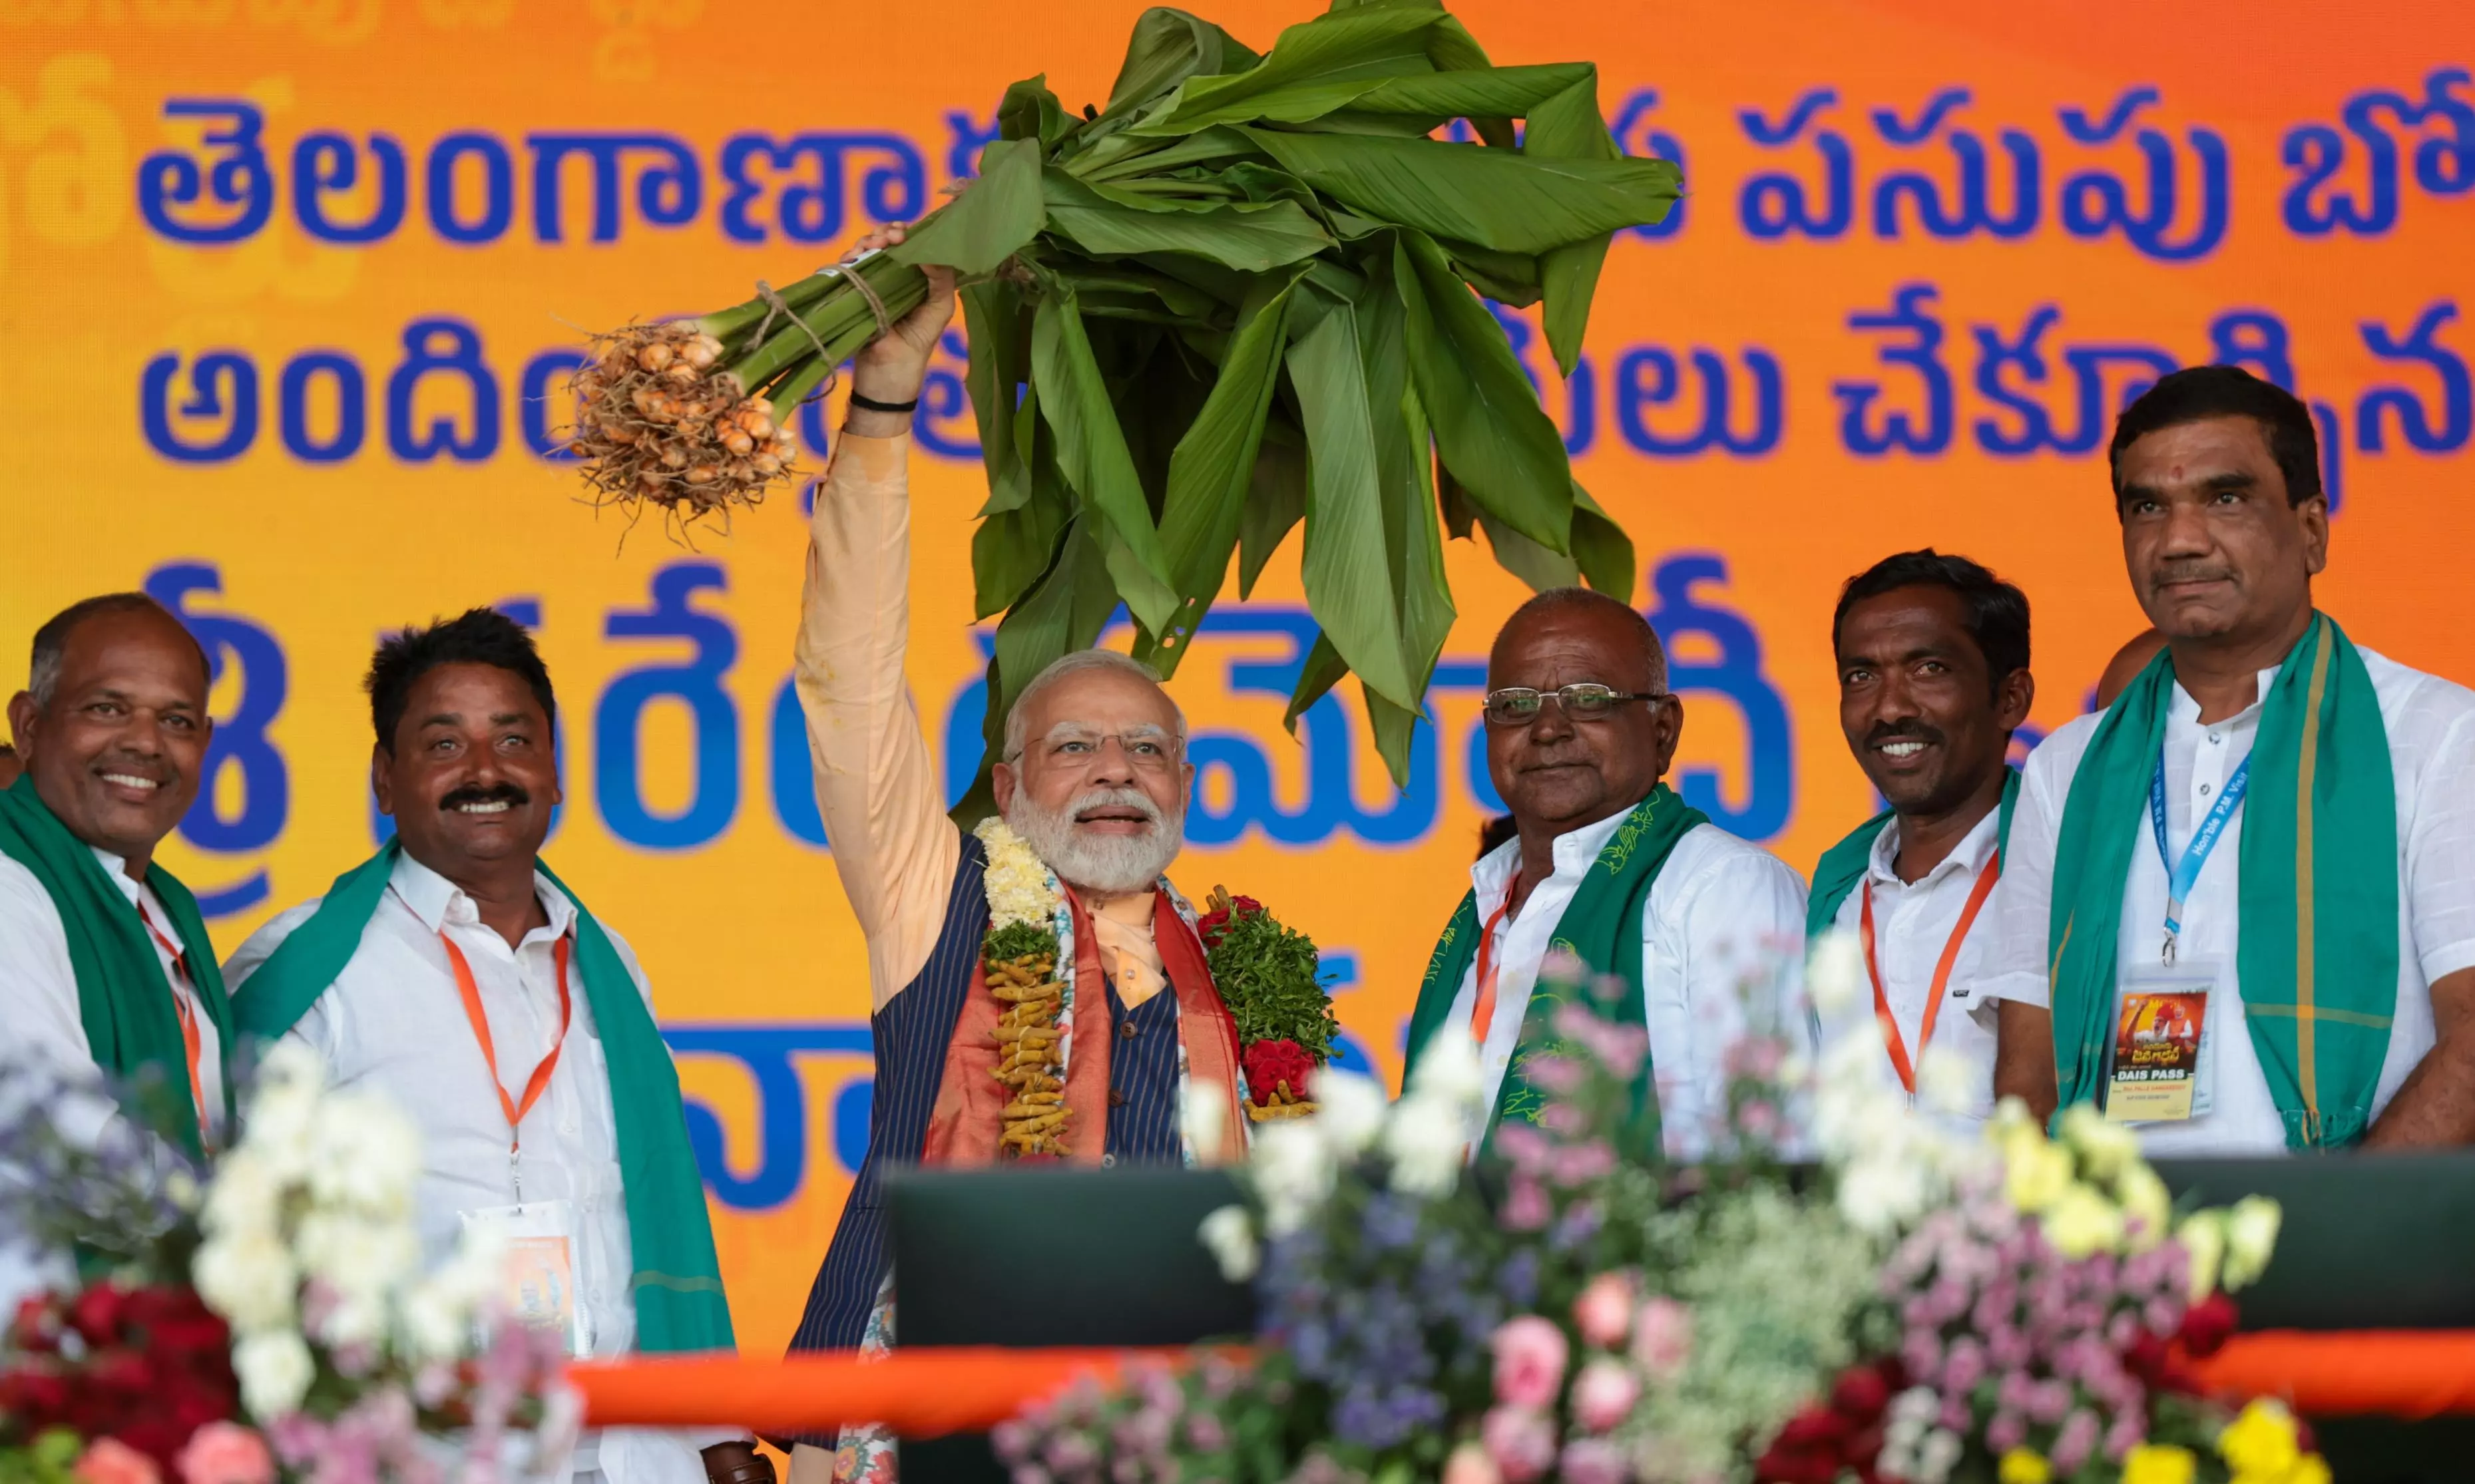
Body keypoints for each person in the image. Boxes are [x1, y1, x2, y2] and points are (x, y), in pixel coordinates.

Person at [780, 225, 1252, 1484]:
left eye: (1145, 752)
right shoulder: (937, 895)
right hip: (926, 1422)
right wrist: (882, 413)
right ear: (1004, 784)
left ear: (1186, 788)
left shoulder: (1234, 973)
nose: (1114, 773)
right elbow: (853, 688)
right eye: (1075, 748)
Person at [224, 610, 758, 1484]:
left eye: (514, 739)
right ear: (384, 779)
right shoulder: (306, 968)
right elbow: (224, 1229)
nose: (484, 770)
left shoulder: (609, 963)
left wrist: (715, 1428)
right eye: (444, 743)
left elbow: (648, 1207)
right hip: (420, 1456)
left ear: (554, 774)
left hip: (631, 1451)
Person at [1986, 365, 2475, 1149]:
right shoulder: (2066, 768)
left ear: (2311, 530)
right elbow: (2027, 1067)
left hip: (2356, 1252)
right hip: (2119, 1258)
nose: (2179, 539)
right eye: (2147, 506)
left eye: (2225, 497)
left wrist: (2340, 1245)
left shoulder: (2436, 734)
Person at [1399, 588, 1809, 1157]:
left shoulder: (1722, 887)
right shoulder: (1488, 906)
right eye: (1516, 704)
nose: (1547, 729)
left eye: (1588, 699)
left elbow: (1770, 1151)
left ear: (1662, 730)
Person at [1806, 552, 2034, 1129]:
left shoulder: (2062, 875)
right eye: (1861, 676)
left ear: (2011, 698)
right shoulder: (1834, 897)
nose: (1889, 708)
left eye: (1928, 669)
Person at [0, 594, 230, 1157]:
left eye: (175, 720)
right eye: (107, 709)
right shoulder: (9, 888)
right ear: (29, 727)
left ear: (205, 744)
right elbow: (62, 1133)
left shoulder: (163, 908)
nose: (145, 742)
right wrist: (235, 1226)